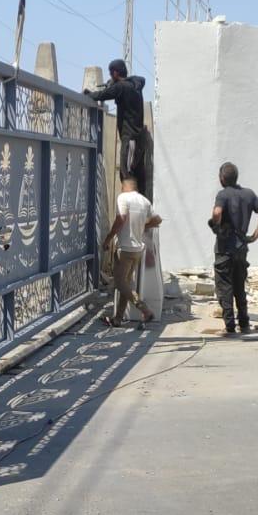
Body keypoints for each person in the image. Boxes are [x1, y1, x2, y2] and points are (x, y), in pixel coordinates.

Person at [208, 162, 258, 336]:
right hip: (241, 247)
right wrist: (254, 236)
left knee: (224, 287)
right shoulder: (249, 194)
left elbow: (217, 212)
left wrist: (216, 224)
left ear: (222, 178)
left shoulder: (222, 194)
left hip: (224, 248)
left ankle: (229, 326)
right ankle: (244, 324)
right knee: (239, 286)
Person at [85, 59, 151, 195]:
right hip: (138, 138)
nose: (111, 76)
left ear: (115, 73)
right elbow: (136, 81)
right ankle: (142, 204)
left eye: (111, 74)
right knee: (138, 173)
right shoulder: (134, 84)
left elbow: (103, 95)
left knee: (126, 174)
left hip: (130, 138)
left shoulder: (121, 87)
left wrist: (89, 94)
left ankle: (130, 205)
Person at [102, 175, 162, 326]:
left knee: (119, 283)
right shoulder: (145, 201)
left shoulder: (123, 197)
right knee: (126, 284)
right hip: (137, 250)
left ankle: (144, 309)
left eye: (122, 187)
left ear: (125, 186)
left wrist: (108, 238)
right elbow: (157, 220)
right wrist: (143, 226)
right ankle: (118, 319)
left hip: (125, 249)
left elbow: (121, 218)